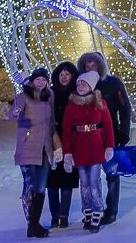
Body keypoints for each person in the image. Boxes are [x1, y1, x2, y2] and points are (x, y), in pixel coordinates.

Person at [77, 52, 131, 225]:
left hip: (110, 136)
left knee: (112, 174)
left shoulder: (113, 83)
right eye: (87, 66)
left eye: (94, 65)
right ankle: (93, 210)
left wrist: (124, 132)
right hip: (86, 139)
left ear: (100, 66)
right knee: (89, 178)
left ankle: (111, 210)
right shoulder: (81, 85)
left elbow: (125, 108)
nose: (90, 68)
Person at [62, 71, 115, 232]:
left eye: (84, 84)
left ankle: (98, 211)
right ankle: (87, 212)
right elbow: (66, 130)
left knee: (94, 182)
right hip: (79, 148)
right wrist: (67, 153)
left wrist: (109, 146)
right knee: (84, 183)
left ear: (91, 87)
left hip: (96, 147)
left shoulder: (100, 103)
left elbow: (108, 125)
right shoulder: (71, 105)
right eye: (78, 84)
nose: (80, 87)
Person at [9, 68, 57, 239]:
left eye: (44, 80)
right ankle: (32, 223)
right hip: (28, 147)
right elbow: (12, 113)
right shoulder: (23, 97)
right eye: (38, 80)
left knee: (40, 187)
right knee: (29, 186)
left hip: (45, 148)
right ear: (32, 80)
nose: (41, 83)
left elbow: (52, 121)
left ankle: (34, 225)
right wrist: (15, 112)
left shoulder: (49, 96)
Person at [46, 61, 78, 229]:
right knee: (51, 182)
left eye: (68, 74)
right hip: (52, 141)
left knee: (67, 179)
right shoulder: (50, 93)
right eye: (61, 74)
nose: (64, 77)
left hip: (72, 142)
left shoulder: (77, 94)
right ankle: (54, 215)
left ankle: (63, 215)